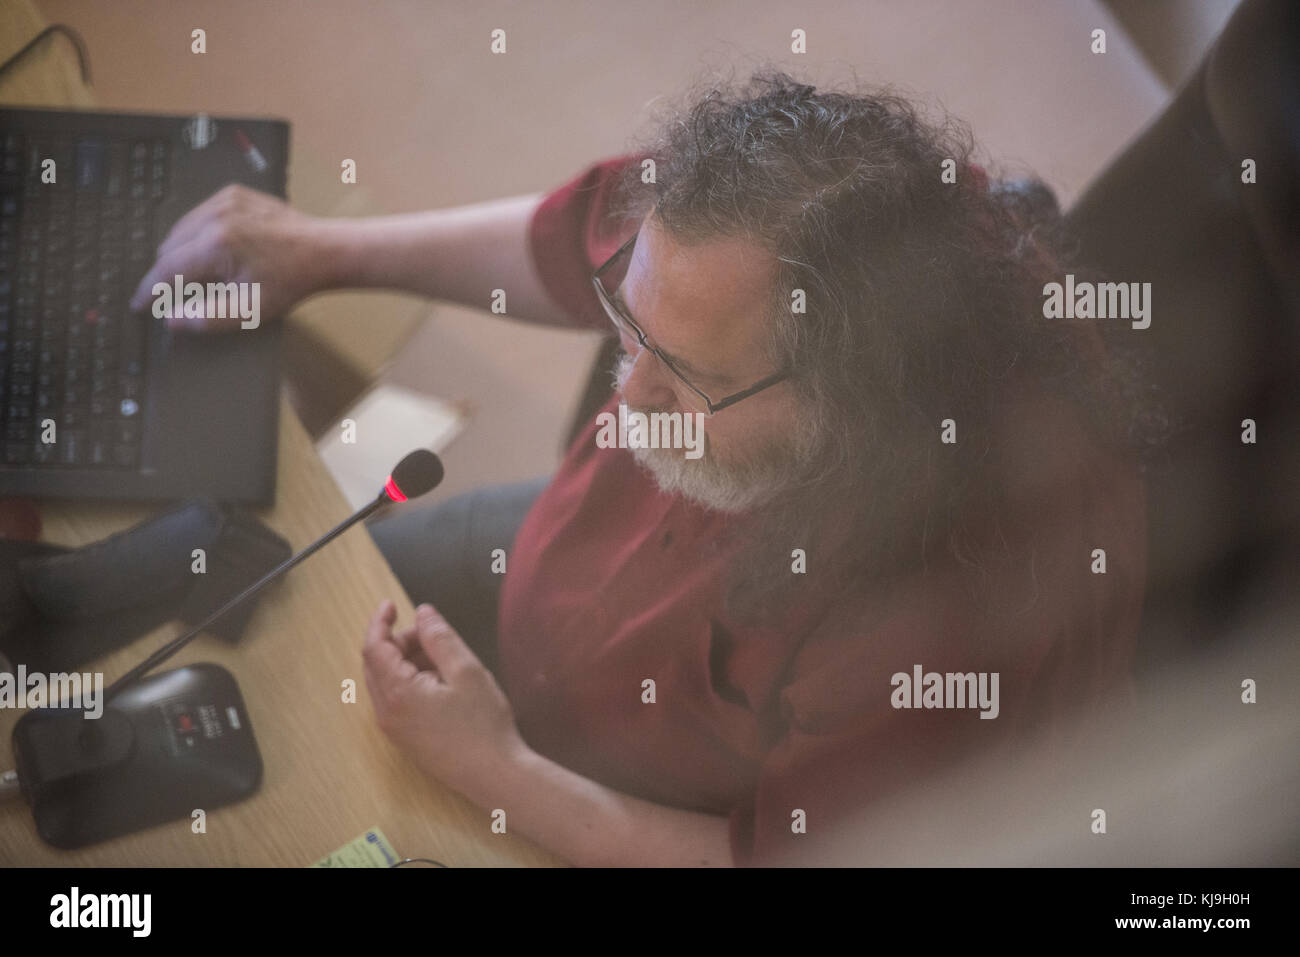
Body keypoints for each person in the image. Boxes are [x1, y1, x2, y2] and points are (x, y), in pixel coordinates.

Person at [129, 70, 1155, 867]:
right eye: (631, 327)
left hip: (634, 807)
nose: (621, 407)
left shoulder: (944, 612)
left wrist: (503, 772)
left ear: (853, 409)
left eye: (688, 377)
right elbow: (559, 242)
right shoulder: (787, 206)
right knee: (252, 609)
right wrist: (320, 253)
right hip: (570, 573)